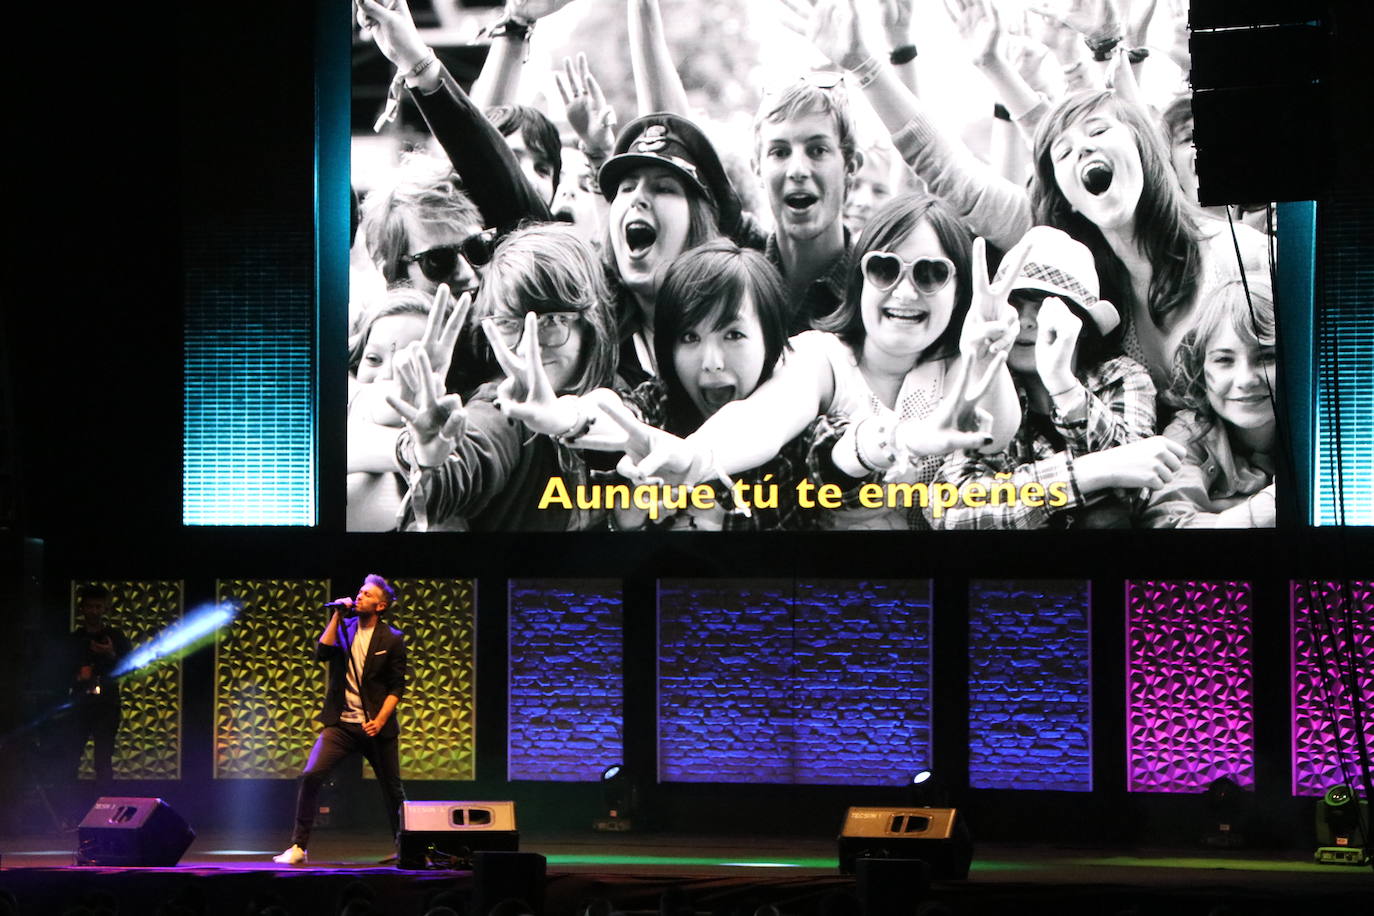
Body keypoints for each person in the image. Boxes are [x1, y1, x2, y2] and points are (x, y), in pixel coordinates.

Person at [622, 193, 1025, 530]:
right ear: (859, 279)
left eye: (931, 274)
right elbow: (762, 419)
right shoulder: (823, 357)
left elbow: (996, 434)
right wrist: (696, 457)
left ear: (959, 293)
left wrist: (988, 353)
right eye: (884, 269)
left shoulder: (959, 364)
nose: (905, 292)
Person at [933, 226, 1186, 529]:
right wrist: (1085, 474)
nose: (1025, 321)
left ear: (1082, 322)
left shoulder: (1122, 376)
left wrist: (1063, 386)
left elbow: (1138, 488)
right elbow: (950, 508)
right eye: (1013, 306)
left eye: (1042, 307)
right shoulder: (987, 388)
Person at [379, 225, 623, 531]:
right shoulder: (505, 408)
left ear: (590, 324)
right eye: (508, 323)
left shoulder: (625, 393)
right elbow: (465, 466)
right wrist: (428, 455)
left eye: (550, 321)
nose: (526, 346)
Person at [274, 574, 408, 866]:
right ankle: (298, 846)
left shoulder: (393, 639)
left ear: (381, 606)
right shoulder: (344, 628)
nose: (359, 597)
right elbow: (322, 652)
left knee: (392, 788)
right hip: (341, 725)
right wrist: (336, 614)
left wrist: (381, 720)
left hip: (376, 728)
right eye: (359, 591)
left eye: (367, 595)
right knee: (311, 775)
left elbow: (397, 686)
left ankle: (406, 846)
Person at [1141, 279, 1278, 528]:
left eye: (1266, 357)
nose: (1246, 379)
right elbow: (1167, 523)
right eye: (1224, 360)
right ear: (1199, 369)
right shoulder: (1190, 433)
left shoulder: (1325, 428)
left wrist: (1220, 514)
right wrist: (1268, 507)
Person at [65, 585, 131, 789]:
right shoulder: (74, 639)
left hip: (106, 705)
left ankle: (104, 807)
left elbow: (129, 667)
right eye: (90, 606)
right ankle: (69, 810)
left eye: (98, 607)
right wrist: (77, 675)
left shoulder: (116, 637)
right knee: (71, 757)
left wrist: (110, 654)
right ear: (82, 608)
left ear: (105, 609)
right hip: (80, 704)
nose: (94, 611)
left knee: (103, 759)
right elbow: (60, 670)